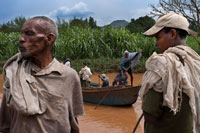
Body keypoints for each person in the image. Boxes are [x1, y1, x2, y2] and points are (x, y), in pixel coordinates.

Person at [0, 16, 84, 133]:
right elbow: (4, 126)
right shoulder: (13, 74)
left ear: (49, 39)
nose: (21, 39)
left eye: (29, 33)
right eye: (22, 33)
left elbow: (73, 123)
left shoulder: (69, 76)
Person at [139, 12, 200, 133]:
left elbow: (150, 115)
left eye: (158, 37)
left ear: (172, 34)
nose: (156, 43)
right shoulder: (195, 62)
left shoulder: (161, 64)